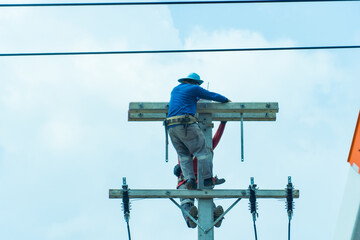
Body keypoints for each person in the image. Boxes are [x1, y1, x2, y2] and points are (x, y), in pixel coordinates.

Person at [165, 72, 231, 190]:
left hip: (171, 127)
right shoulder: (194, 88)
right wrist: (226, 100)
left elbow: (186, 101)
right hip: (185, 124)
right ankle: (207, 179)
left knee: (183, 155)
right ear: (195, 83)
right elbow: (211, 95)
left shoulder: (175, 90)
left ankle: (189, 179)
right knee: (203, 152)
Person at [174, 122, 227, 228]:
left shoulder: (204, 146)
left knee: (207, 200)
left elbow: (216, 138)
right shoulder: (185, 146)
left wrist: (222, 124)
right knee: (186, 201)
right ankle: (190, 218)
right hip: (187, 180)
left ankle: (215, 217)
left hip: (200, 180)